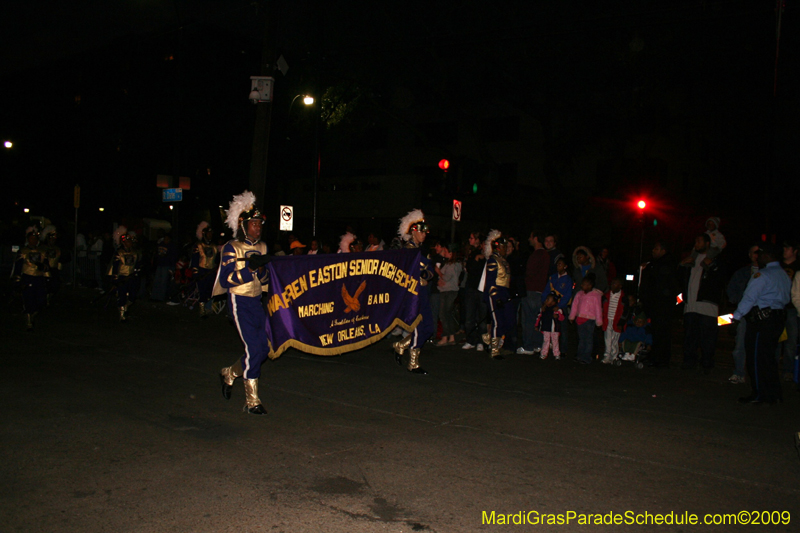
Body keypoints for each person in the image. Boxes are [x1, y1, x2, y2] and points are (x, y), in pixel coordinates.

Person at [216, 191, 272, 415]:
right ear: (244, 225)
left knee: (264, 349)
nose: (258, 228)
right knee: (253, 348)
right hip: (239, 302)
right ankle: (252, 401)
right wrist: (249, 270)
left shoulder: (263, 247)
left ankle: (230, 373)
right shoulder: (231, 248)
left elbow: (267, 280)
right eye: (254, 224)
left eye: (260, 224)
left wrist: (261, 270)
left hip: (257, 302)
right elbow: (226, 279)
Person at [734, 244, 791, 405]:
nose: (759, 257)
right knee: (769, 359)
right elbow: (787, 298)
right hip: (777, 319)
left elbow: (749, 298)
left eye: (762, 254)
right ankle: (774, 393)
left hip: (761, 321)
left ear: (768, 256)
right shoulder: (783, 275)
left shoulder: (762, 275)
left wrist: (737, 317)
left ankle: (760, 393)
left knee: (757, 359)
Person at [392, 209, 434, 374]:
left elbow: (429, 271)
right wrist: (419, 272)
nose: (424, 235)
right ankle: (413, 362)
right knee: (418, 326)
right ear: (414, 232)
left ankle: (401, 345)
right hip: (413, 293)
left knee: (429, 328)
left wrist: (425, 273)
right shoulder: (407, 250)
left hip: (423, 291)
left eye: (425, 232)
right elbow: (404, 272)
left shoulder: (423, 250)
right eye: (421, 232)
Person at [679, 234, 725, 372]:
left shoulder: (716, 259)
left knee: (707, 339)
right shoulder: (691, 259)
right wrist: (682, 266)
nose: (696, 243)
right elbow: (681, 281)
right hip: (690, 306)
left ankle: (707, 363)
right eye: (695, 241)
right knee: (689, 338)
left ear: (707, 243)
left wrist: (712, 266)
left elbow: (720, 280)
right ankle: (689, 362)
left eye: (699, 241)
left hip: (707, 307)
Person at [639, 241, 680, 368]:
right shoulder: (653, 264)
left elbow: (668, 285)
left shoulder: (668, 264)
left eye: (656, 249)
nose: (653, 251)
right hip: (655, 305)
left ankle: (661, 359)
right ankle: (656, 356)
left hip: (663, 305)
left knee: (662, 332)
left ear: (663, 250)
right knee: (656, 331)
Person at [726, 245, 760, 384]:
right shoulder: (742, 272)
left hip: (761, 314)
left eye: (758, 252)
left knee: (761, 346)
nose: (755, 255)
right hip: (744, 313)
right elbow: (731, 289)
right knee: (740, 345)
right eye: (752, 252)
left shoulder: (768, 272)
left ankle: (760, 375)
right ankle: (739, 372)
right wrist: (738, 301)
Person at [479, 230, 514, 359]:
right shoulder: (493, 260)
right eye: (505, 247)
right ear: (499, 247)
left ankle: (488, 337)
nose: (506, 249)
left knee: (508, 320)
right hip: (496, 293)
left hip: (504, 292)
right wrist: (496, 296)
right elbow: (491, 282)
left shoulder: (503, 261)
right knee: (497, 321)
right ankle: (494, 350)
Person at [518, 231, 549, 355]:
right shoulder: (545, 254)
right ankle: (537, 344)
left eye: (531, 237)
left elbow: (529, 272)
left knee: (528, 320)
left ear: (536, 238)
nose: (529, 239)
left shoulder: (537, 254)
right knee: (535, 319)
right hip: (539, 290)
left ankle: (528, 346)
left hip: (531, 290)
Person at [12, 226, 49, 330]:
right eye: (31, 239)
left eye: (35, 239)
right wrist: (18, 281)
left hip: (39, 278)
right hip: (27, 278)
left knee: (41, 300)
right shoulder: (23, 252)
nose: (33, 241)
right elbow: (18, 267)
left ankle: (33, 314)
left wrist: (44, 269)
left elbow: (46, 266)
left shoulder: (42, 251)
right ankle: (29, 319)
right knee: (28, 299)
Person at [108, 227, 142, 322]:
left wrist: (137, 272)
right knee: (122, 295)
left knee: (132, 296)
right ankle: (122, 314)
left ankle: (125, 308)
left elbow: (137, 264)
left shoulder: (135, 253)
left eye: (130, 241)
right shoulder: (119, 253)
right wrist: (115, 279)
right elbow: (115, 266)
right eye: (127, 241)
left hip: (131, 277)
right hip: (122, 277)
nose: (129, 243)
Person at [461, 232, 487, 352]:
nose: (469, 240)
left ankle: (481, 341)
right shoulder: (471, 253)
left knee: (481, 317)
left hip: (481, 289)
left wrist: (480, 258)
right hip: (471, 288)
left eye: (471, 238)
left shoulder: (485, 254)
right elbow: (469, 269)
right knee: (469, 316)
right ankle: (470, 340)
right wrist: (474, 259)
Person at [569, 274, 603, 364]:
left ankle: (586, 357)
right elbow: (574, 306)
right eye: (582, 284)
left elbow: (598, 308)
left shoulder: (595, 295)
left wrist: (599, 321)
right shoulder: (579, 294)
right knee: (581, 338)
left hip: (590, 320)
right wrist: (572, 316)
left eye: (585, 284)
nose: (582, 286)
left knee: (588, 339)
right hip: (580, 318)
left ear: (590, 285)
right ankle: (580, 355)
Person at [542, 258, 573, 357]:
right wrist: (544, 303)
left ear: (565, 266)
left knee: (562, 328)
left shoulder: (568, 280)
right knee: (548, 327)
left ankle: (562, 349)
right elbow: (546, 291)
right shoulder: (553, 278)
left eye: (560, 264)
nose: (558, 266)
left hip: (561, 307)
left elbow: (568, 295)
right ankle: (547, 347)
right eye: (557, 264)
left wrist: (559, 306)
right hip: (549, 306)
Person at [777, 240, 798, 381]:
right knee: (775, 339)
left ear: (795, 250)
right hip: (778, 307)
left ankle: (788, 370)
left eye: (788, 248)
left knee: (791, 341)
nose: (785, 250)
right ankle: (772, 368)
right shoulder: (777, 266)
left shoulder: (798, 267)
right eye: (783, 248)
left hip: (792, 309)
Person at [434, 242, 462, 346]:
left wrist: (438, 272)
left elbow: (446, 277)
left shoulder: (452, 265)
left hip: (448, 291)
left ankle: (445, 337)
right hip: (448, 290)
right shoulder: (454, 264)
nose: (444, 253)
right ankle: (451, 337)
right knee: (448, 314)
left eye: (446, 251)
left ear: (451, 253)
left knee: (443, 314)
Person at [191, 222, 219, 317]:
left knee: (210, 290)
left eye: (211, 234)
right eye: (208, 233)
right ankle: (202, 308)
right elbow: (195, 259)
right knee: (202, 290)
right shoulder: (198, 245)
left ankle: (208, 308)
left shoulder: (214, 246)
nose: (210, 235)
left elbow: (217, 259)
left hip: (211, 272)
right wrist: (196, 272)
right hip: (202, 271)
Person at [601, 278, 626, 364]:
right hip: (608, 320)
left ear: (620, 286)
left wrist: (621, 323)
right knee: (607, 338)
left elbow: (625, 312)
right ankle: (607, 355)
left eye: (615, 284)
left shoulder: (623, 297)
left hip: (617, 321)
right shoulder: (607, 296)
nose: (612, 285)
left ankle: (614, 356)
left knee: (615, 339)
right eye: (612, 283)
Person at [536, 293, 565, 360]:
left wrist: (558, 316)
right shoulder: (543, 309)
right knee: (546, 341)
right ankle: (543, 353)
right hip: (546, 328)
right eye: (546, 299)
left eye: (548, 299)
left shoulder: (557, 309)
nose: (546, 301)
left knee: (555, 341)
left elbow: (562, 318)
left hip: (555, 329)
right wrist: (537, 325)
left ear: (553, 302)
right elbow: (539, 317)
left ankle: (556, 354)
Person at [151, 233, 177, 302]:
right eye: (165, 239)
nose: (166, 240)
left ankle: (160, 297)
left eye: (167, 239)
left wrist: (172, 267)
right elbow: (156, 254)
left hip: (166, 265)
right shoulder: (160, 244)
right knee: (156, 281)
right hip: (159, 265)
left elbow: (173, 257)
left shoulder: (171, 246)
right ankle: (154, 296)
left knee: (163, 282)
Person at [39, 225, 62, 302]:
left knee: (55, 286)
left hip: (54, 270)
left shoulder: (57, 248)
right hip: (45, 271)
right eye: (51, 238)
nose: (53, 240)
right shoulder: (42, 248)